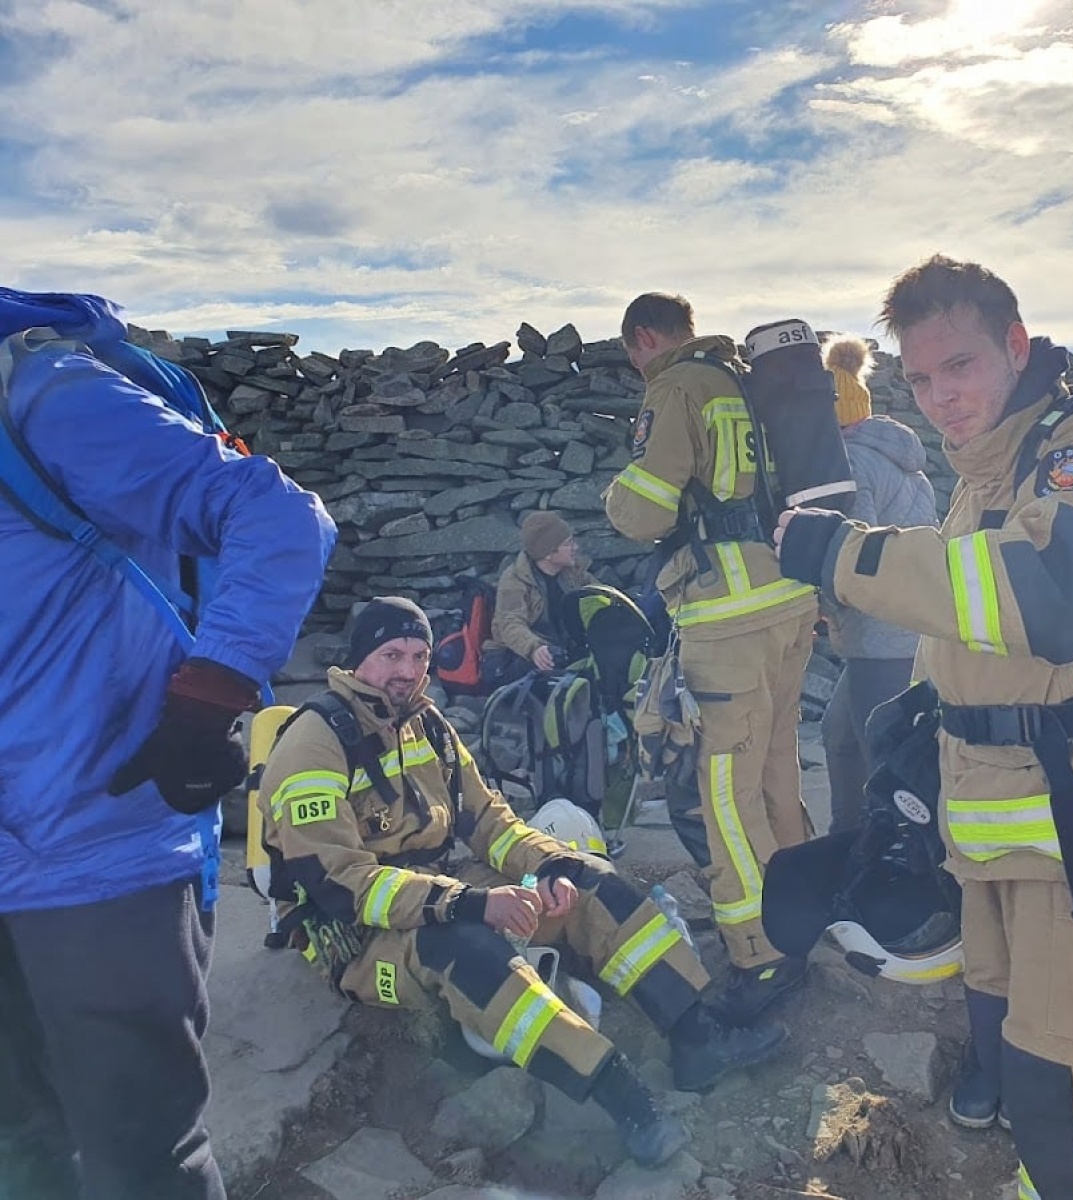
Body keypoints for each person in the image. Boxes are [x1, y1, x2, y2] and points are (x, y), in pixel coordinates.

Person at [775, 256, 1073, 1200]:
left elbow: (1053, 600)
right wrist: (918, 725)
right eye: (920, 378)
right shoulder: (986, 469)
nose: (940, 397)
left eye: (959, 365)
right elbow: (969, 623)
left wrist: (846, 556)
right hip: (1000, 835)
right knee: (1030, 1086)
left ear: (1016, 346)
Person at [0, 288, 336, 1199]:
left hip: (97, 854)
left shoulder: (44, 399)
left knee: (143, 1163)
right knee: (20, 1152)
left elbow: (277, 516)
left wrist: (208, 697)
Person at [256, 598, 786, 1168]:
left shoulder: (426, 724)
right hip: (354, 936)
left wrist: (549, 867)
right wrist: (470, 903)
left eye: (419, 656)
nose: (407, 670)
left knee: (592, 879)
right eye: (391, 655)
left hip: (438, 885)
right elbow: (343, 886)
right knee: (465, 948)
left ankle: (696, 1035)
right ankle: (624, 1099)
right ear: (360, 658)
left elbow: (489, 821)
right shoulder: (313, 743)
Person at [605, 293, 819, 1021]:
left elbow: (645, 510)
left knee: (724, 791)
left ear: (643, 338)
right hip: (790, 599)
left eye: (631, 353)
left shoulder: (675, 387)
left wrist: (615, 496)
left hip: (729, 617)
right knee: (777, 769)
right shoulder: (745, 381)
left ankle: (761, 952)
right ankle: (802, 914)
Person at [819, 334, 938, 834]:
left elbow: (853, 551)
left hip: (878, 632)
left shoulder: (850, 462)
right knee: (840, 736)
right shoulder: (904, 461)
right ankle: (851, 839)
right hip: (906, 623)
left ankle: (884, 850)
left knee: (877, 752)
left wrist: (825, 607)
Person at [486, 511, 595, 677]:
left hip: (562, 649)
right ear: (548, 553)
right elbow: (510, 623)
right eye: (568, 543)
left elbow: (601, 595)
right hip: (516, 655)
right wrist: (534, 648)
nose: (576, 547)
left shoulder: (574, 573)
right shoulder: (515, 580)